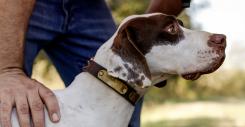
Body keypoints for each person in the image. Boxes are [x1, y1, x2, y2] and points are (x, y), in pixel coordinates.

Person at [0, 0, 191, 127]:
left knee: (127, 82)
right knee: (7, 98)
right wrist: (7, 70)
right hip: (16, 4)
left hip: (88, 5)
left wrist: (145, 36)